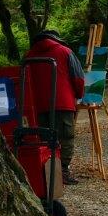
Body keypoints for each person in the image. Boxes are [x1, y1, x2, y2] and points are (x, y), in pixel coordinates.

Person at [25, 30, 85, 185]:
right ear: (56, 39)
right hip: (62, 102)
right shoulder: (65, 52)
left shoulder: (28, 56)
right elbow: (77, 78)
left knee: (44, 140)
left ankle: (45, 173)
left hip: (37, 105)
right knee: (65, 137)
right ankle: (62, 171)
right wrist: (79, 94)